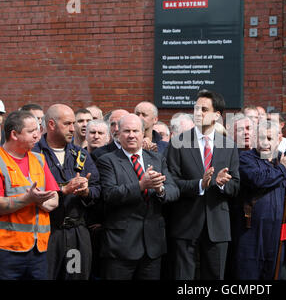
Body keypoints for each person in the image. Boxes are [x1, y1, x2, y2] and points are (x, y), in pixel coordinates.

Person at [166, 89, 240, 280]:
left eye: (204, 109)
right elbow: (172, 182)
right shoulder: (178, 143)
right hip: (185, 223)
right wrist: (200, 184)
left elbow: (236, 186)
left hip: (218, 226)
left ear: (217, 115)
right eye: (196, 109)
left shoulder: (229, 146)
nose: (198, 113)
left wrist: (222, 184)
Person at [96, 114, 179, 279]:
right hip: (121, 245)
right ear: (118, 134)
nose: (131, 135)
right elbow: (109, 194)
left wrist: (160, 189)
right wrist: (141, 185)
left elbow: (174, 190)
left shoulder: (157, 159)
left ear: (143, 134)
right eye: (126, 131)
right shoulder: (107, 161)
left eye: (135, 131)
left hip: (153, 245)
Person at [33, 104, 101, 280]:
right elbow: (32, 190)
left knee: (75, 276)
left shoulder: (80, 154)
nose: (74, 128)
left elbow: (97, 188)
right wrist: (63, 190)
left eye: (74, 123)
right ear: (51, 125)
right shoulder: (34, 154)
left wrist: (86, 192)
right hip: (47, 234)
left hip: (77, 234)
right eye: (68, 124)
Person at [230, 120, 286, 280]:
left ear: (278, 140)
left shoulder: (283, 160)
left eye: (269, 138)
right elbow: (259, 179)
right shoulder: (245, 159)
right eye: (261, 138)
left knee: (273, 274)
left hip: (276, 232)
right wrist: (283, 169)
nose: (265, 143)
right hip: (250, 232)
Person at [0, 110, 59, 279]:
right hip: (7, 250)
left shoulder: (39, 159)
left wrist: (40, 201)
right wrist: (29, 199)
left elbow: (54, 198)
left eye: (38, 129)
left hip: (39, 249)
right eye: (31, 131)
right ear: (14, 134)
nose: (37, 135)